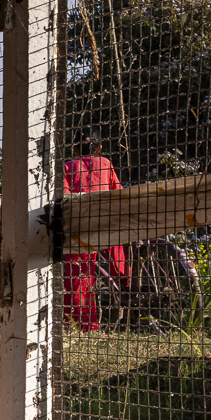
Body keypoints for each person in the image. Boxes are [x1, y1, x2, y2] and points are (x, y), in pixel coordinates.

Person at [61, 136, 124, 330]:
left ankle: (83, 325)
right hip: (108, 223)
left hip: (81, 228)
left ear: (75, 148)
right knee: (121, 260)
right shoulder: (105, 163)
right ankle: (127, 286)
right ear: (99, 148)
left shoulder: (68, 166)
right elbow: (118, 191)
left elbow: (65, 197)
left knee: (79, 277)